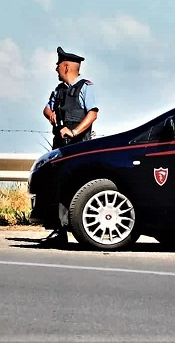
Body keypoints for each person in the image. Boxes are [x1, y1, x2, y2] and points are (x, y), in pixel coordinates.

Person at [40, 46, 99, 247]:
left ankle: (81, 230)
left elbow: (92, 114)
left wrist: (74, 132)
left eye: (58, 65)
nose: (55, 69)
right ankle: (59, 230)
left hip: (79, 146)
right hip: (60, 147)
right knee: (57, 187)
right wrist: (51, 115)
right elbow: (46, 108)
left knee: (77, 188)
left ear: (65, 67)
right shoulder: (58, 91)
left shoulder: (86, 87)